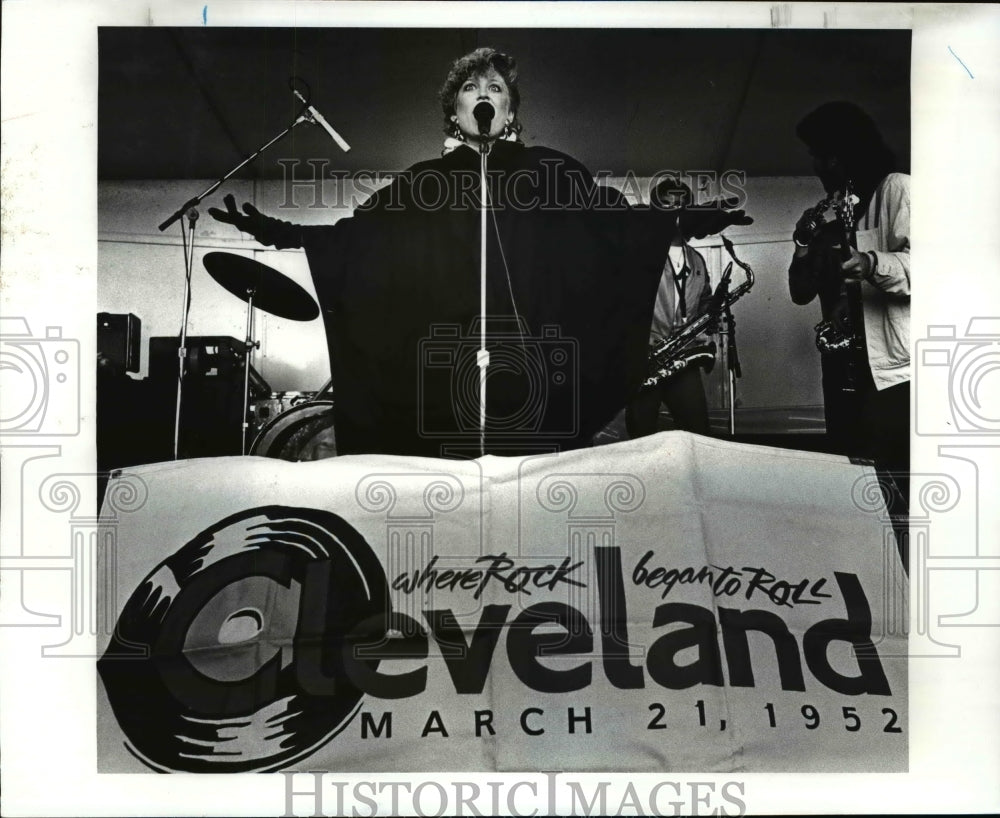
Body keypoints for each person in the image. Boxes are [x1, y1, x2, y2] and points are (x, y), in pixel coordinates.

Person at [211, 47, 749, 458]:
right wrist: (279, 231)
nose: (483, 93)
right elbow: (359, 237)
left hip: (535, 369)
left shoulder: (551, 172)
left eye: (495, 86)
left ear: (510, 107)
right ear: (455, 111)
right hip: (448, 375)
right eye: (470, 87)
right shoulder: (424, 184)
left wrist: (687, 219)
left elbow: (613, 223)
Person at [787, 101, 910, 558]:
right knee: (850, 467)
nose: (819, 166)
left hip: (888, 370)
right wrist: (802, 243)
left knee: (893, 480)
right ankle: (867, 565)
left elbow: (931, 267)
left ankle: (905, 571)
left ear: (848, 153)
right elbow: (800, 293)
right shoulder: (827, 215)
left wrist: (872, 263)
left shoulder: (895, 190)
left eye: (826, 155)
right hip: (843, 364)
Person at [626, 179, 716, 438]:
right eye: (667, 205)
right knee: (640, 442)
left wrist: (711, 311)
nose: (676, 211)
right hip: (645, 359)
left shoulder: (696, 259)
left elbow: (703, 300)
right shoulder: (640, 252)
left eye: (681, 205)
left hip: (683, 359)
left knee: (699, 436)